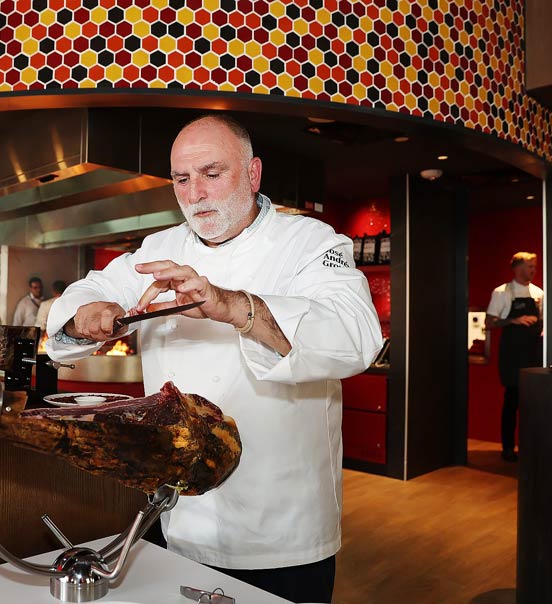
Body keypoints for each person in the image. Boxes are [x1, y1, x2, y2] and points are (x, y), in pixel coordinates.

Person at [46, 114, 382, 603]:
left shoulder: (310, 242)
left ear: (252, 174)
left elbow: (356, 335)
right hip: (179, 515)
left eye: (211, 173)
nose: (195, 193)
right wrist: (89, 314)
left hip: (281, 528)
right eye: (181, 180)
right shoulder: (159, 248)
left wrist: (232, 306)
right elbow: (91, 289)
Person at [486, 251, 544, 462]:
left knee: (533, 403)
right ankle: (508, 448)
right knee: (512, 402)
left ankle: (530, 447)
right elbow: (490, 322)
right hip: (512, 355)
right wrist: (514, 320)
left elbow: (543, 321)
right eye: (530, 266)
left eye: (534, 267)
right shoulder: (502, 292)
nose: (534, 270)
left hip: (533, 354)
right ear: (518, 268)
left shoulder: (539, 293)